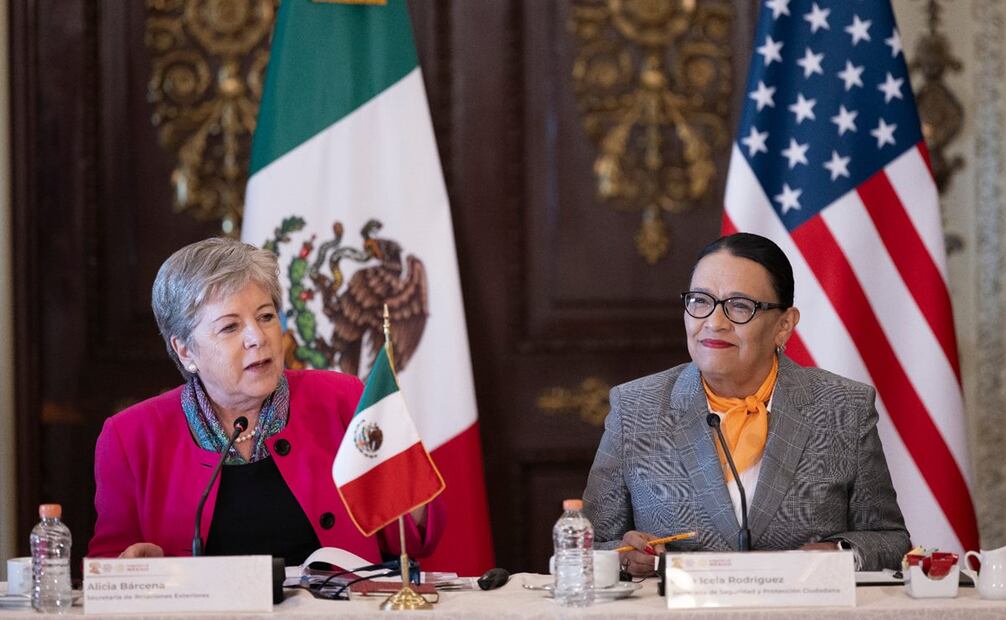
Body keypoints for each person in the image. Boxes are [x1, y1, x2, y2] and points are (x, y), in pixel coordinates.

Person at [88, 238, 442, 564]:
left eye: (266, 316)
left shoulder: (342, 399)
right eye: (230, 327)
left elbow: (413, 539)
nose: (258, 337)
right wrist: (131, 565)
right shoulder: (130, 437)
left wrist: (407, 484)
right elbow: (107, 566)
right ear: (185, 350)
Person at [582, 232, 910, 573]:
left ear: (783, 325)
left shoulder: (844, 407)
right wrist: (623, 557)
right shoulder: (635, 408)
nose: (714, 322)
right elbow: (586, 547)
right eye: (700, 301)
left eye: (739, 306)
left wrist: (838, 552)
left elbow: (889, 540)